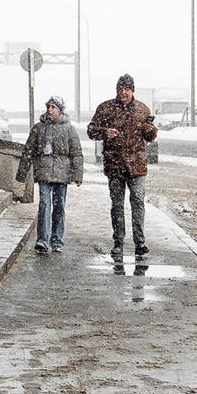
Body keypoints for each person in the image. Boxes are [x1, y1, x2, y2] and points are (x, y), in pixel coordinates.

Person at [86, 73, 158, 270]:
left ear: (132, 91)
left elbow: (151, 138)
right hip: (115, 164)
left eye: (126, 89)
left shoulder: (143, 109)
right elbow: (91, 130)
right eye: (120, 89)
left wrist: (150, 129)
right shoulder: (105, 108)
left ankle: (140, 243)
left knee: (138, 202)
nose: (123, 93)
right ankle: (118, 242)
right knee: (117, 205)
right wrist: (104, 132)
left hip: (137, 165)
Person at [13, 94, 82, 254]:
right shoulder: (39, 128)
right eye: (48, 107)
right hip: (44, 172)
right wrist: (21, 175)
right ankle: (42, 240)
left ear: (60, 110)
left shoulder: (69, 129)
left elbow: (76, 152)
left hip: (62, 174)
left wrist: (77, 174)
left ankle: (57, 240)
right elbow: (28, 151)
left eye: (53, 107)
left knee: (59, 207)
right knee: (44, 204)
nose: (50, 110)